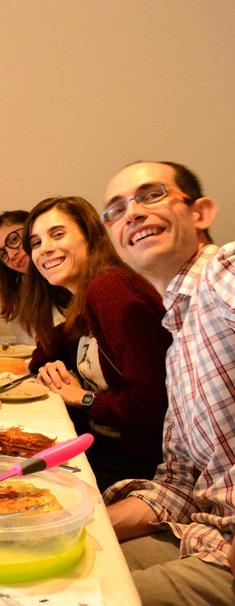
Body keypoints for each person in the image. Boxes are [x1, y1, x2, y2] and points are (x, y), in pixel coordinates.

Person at [102, 161, 235, 606]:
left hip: (224, 559)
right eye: (116, 210)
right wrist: (79, 524)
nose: (132, 213)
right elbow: (179, 486)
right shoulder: (178, 342)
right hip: (202, 533)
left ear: (201, 213)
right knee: (45, 568)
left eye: (151, 194)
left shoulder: (222, 274)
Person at [18, 196, 171, 491]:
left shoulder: (110, 288)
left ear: (90, 236)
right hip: (106, 449)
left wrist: (83, 398)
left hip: (139, 463)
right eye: (36, 243)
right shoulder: (87, 299)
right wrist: (53, 369)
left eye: (58, 234)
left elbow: (154, 403)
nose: (45, 249)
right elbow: (46, 353)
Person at [0, 210, 68, 345]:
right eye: (2, 254)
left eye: (14, 239)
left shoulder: (64, 273)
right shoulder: (20, 286)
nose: (11, 255)